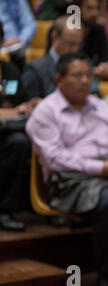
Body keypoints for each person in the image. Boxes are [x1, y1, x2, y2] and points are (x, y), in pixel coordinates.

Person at [26, 52, 108, 286]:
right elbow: (56, 159)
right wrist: (103, 169)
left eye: (88, 75)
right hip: (69, 181)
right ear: (59, 79)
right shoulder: (45, 112)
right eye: (77, 75)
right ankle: (106, 277)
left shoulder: (100, 106)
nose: (84, 81)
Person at [0, 21, 41, 232]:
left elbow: (22, 100)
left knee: (24, 140)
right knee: (17, 142)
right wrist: (14, 111)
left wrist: (31, 104)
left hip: (10, 130)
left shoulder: (9, 70)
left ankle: (11, 209)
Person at [22, 15, 84, 100]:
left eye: (78, 44)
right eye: (70, 43)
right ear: (54, 37)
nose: (74, 49)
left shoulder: (85, 66)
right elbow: (30, 107)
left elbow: (97, 97)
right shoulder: (35, 70)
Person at [74, 0, 108, 81]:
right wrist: (95, 71)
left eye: (97, 9)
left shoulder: (98, 29)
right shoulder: (67, 30)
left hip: (94, 79)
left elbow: (105, 58)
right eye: (89, 8)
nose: (94, 13)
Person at [0, 0, 36, 72]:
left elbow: (30, 25)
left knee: (22, 54)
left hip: (16, 43)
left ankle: (18, 81)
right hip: (1, 42)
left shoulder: (19, 1)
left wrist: (19, 39)